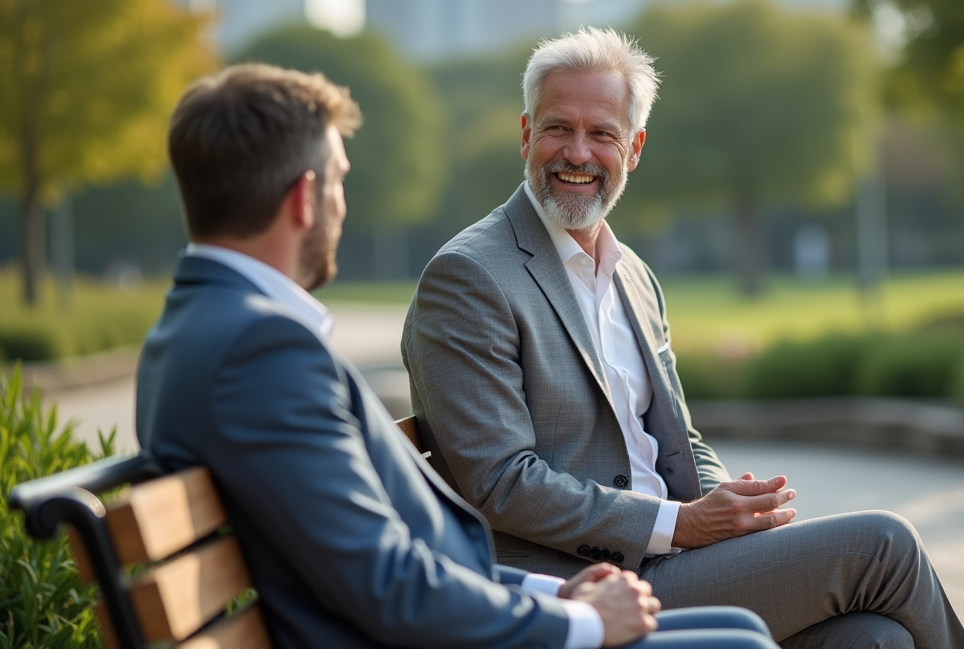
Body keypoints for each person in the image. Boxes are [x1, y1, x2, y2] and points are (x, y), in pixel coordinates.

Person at [135, 63, 777, 649]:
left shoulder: (196, 331)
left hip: (466, 608)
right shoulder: (261, 350)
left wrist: (558, 596)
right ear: (306, 198)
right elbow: (387, 583)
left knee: (746, 630)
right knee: (741, 643)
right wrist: (580, 622)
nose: (341, 206)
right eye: (339, 183)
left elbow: (383, 565)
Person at [402, 29, 964, 649]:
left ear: (635, 147)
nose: (578, 153)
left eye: (602, 134)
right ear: (525, 135)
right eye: (557, 128)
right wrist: (684, 524)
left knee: (873, 636)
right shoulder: (469, 275)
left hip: (670, 562)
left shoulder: (635, 277)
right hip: (580, 587)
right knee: (883, 545)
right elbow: (501, 483)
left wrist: (730, 508)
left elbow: (679, 436)